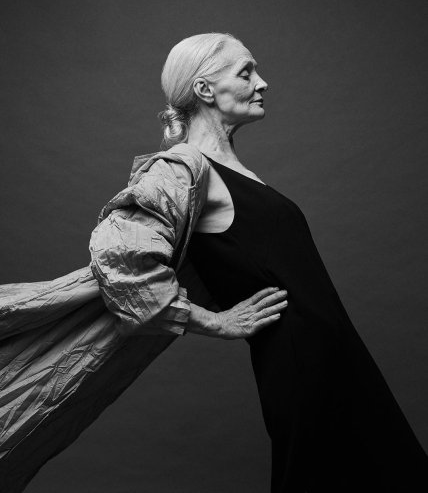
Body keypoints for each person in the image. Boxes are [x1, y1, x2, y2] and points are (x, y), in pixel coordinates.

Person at [0, 32, 426, 492]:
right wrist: (215, 322)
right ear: (204, 89)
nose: (262, 82)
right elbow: (121, 256)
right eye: (246, 72)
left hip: (335, 355)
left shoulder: (235, 170)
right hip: (303, 366)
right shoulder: (182, 167)